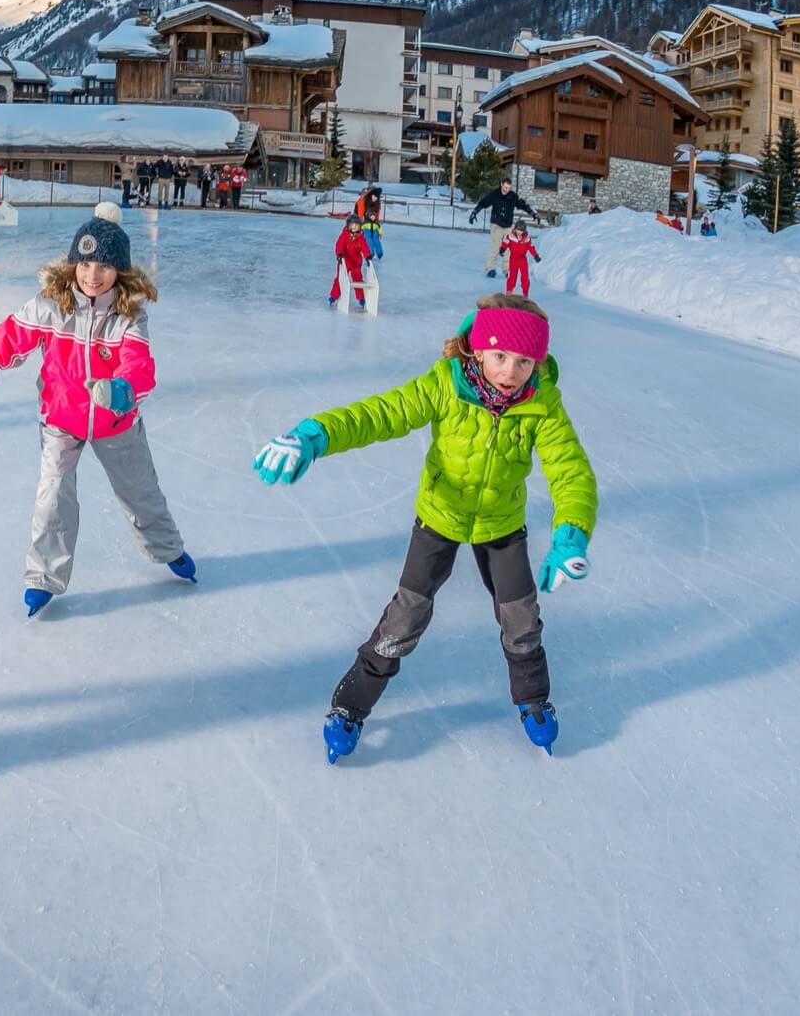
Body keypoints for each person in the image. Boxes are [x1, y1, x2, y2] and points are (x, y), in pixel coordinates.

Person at [252, 294, 597, 762]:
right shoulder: (444, 386)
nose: (510, 373)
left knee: (521, 619)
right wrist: (318, 435)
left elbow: (570, 470)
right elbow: (380, 414)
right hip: (439, 517)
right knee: (405, 616)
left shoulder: (542, 404)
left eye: (523, 362)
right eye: (499, 356)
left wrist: (570, 532)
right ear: (477, 349)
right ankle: (350, 707)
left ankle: (534, 699)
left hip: (501, 525)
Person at [0, 203, 194, 617]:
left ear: (119, 269)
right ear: (73, 263)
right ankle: (43, 579)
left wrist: (118, 392)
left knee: (141, 494)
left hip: (116, 423)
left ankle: (169, 550)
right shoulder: (49, 307)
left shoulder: (128, 317)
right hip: (60, 422)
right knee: (52, 499)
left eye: (103, 265)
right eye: (85, 263)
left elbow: (139, 366)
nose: (92, 275)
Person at [467, 178, 538, 279]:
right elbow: (483, 203)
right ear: (501, 184)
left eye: (508, 188)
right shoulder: (494, 194)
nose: (506, 190)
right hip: (496, 224)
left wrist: (533, 213)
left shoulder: (513, 196)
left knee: (509, 249)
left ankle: (507, 270)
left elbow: (522, 205)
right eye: (505, 187)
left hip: (508, 226)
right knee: (496, 247)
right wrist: (475, 212)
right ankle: (491, 269)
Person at [330, 213, 371, 310]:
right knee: (340, 277)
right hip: (345, 259)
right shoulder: (345, 235)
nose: (354, 227)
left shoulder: (361, 237)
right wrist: (339, 254)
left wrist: (367, 256)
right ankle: (333, 296)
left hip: (356, 261)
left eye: (356, 226)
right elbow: (339, 244)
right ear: (348, 226)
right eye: (352, 225)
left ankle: (361, 298)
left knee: (358, 278)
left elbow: (364, 247)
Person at [499, 221, 540, 296]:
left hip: (522, 260)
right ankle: (509, 292)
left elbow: (531, 248)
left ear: (524, 231)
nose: (519, 232)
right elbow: (505, 243)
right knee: (512, 277)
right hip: (513, 260)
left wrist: (535, 256)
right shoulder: (510, 236)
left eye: (521, 231)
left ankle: (525, 294)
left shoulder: (527, 238)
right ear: (515, 229)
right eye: (518, 230)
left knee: (525, 277)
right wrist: (502, 249)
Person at [355, 186, 385, 260]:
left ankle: (378, 252)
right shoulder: (363, 200)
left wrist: (377, 225)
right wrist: (360, 225)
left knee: (375, 237)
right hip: (359, 213)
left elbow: (377, 215)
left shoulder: (377, 203)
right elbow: (360, 215)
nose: (375, 198)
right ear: (371, 194)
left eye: (377, 197)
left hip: (370, 218)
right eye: (374, 196)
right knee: (364, 236)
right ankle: (364, 250)